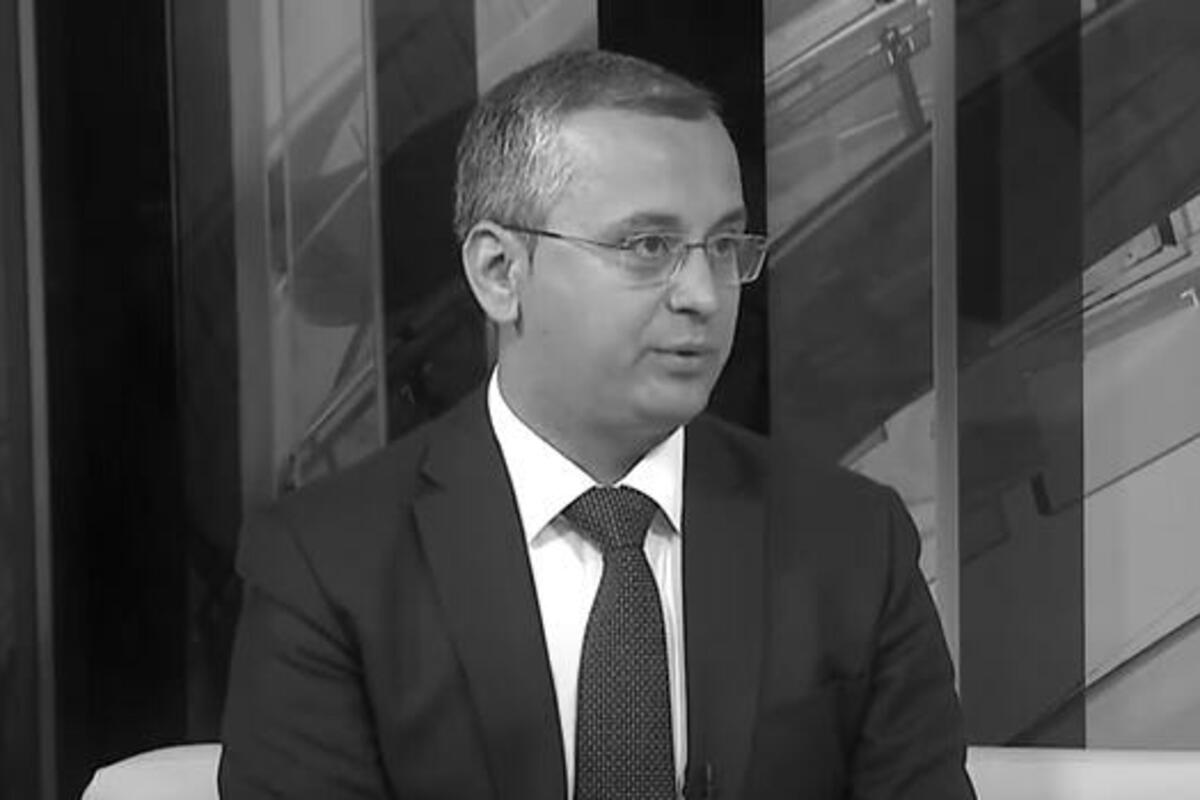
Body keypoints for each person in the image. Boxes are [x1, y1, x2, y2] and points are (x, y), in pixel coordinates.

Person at [219, 49, 975, 799]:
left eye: (722, 246)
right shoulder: (329, 568)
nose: (704, 295)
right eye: (648, 247)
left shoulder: (853, 543)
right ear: (499, 273)